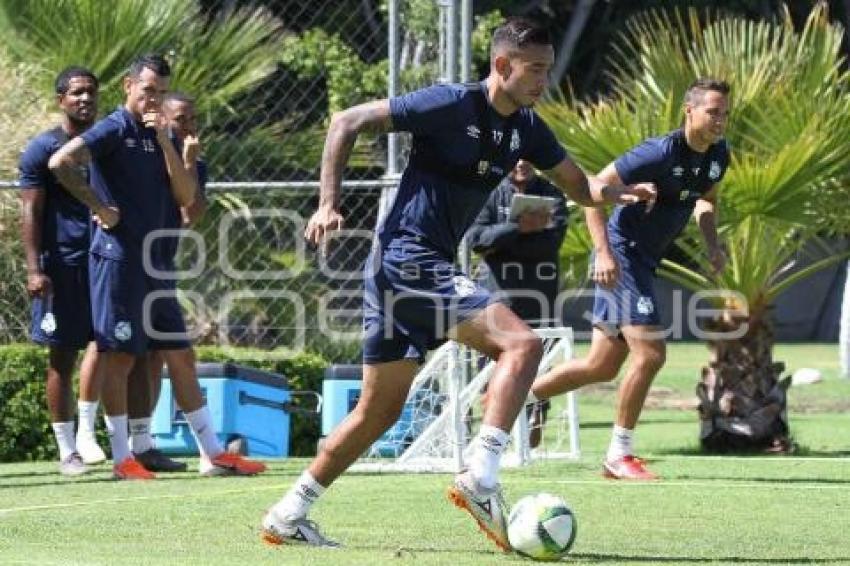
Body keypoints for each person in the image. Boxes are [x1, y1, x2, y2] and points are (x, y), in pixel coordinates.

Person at [261, 18, 655, 550]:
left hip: (403, 269)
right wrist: (328, 202)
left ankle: (288, 513)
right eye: (534, 69)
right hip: (408, 258)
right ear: (502, 65)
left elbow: (580, 187)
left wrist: (615, 192)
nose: (543, 79)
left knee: (377, 412)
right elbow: (345, 121)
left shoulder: (528, 130)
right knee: (523, 344)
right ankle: (481, 476)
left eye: (547, 68)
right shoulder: (451, 104)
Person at [48, 54, 265, 480]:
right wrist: (100, 207)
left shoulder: (158, 133)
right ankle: (121, 458)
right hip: (119, 261)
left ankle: (214, 454)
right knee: (121, 357)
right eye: (148, 90)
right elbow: (61, 163)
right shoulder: (114, 127)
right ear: (128, 86)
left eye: (161, 92)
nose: (154, 99)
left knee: (181, 356)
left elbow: (187, 198)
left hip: (158, 264)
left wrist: (168, 144)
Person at [529, 78, 731, 480]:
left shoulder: (718, 155)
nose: (720, 121)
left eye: (725, 113)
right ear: (688, 111)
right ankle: (618, 454)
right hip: (622, 257)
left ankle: (526, 394)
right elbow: (591, 192)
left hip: (644, 262)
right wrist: (603, 253)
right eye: (713, 112)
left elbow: (707, 198)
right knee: (652, 355)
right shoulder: (657, 152)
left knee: (601, 367)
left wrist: (712, 243)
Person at [18, 66, 109, 475]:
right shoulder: (43, 149)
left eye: (90, 92)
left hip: (105, 261)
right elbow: (31, 210)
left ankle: (99, 438)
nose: (85, 99)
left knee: (108, 345)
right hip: (61, 266)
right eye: (76, 93)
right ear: (61, 100)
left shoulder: (106, 144)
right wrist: (34, 268)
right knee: (62, 356)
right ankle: (66, 449)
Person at [130, 90, 209, 473]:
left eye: (193, 120)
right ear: (160, 118)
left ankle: (145, 445)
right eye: (181, 119)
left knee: (162, 355)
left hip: (162, 269)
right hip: (126, 266)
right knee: (120, 354)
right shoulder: (140, 156)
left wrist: (190, 165)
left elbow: (191, 215)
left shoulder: (194, 162)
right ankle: (99, 446)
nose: (189, 127)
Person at [466, 158, 569, 448]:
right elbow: (478, 240)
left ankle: (533, 435)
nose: (521, 163)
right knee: (491, 367)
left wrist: (502, 243)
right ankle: (491, 439)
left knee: (539, 363)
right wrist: (518, 227)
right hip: (496, 295)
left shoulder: (551, 194)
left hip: (539, 294)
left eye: (528, 158)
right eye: (516, 157)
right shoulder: (490, 192)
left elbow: (549, 244)